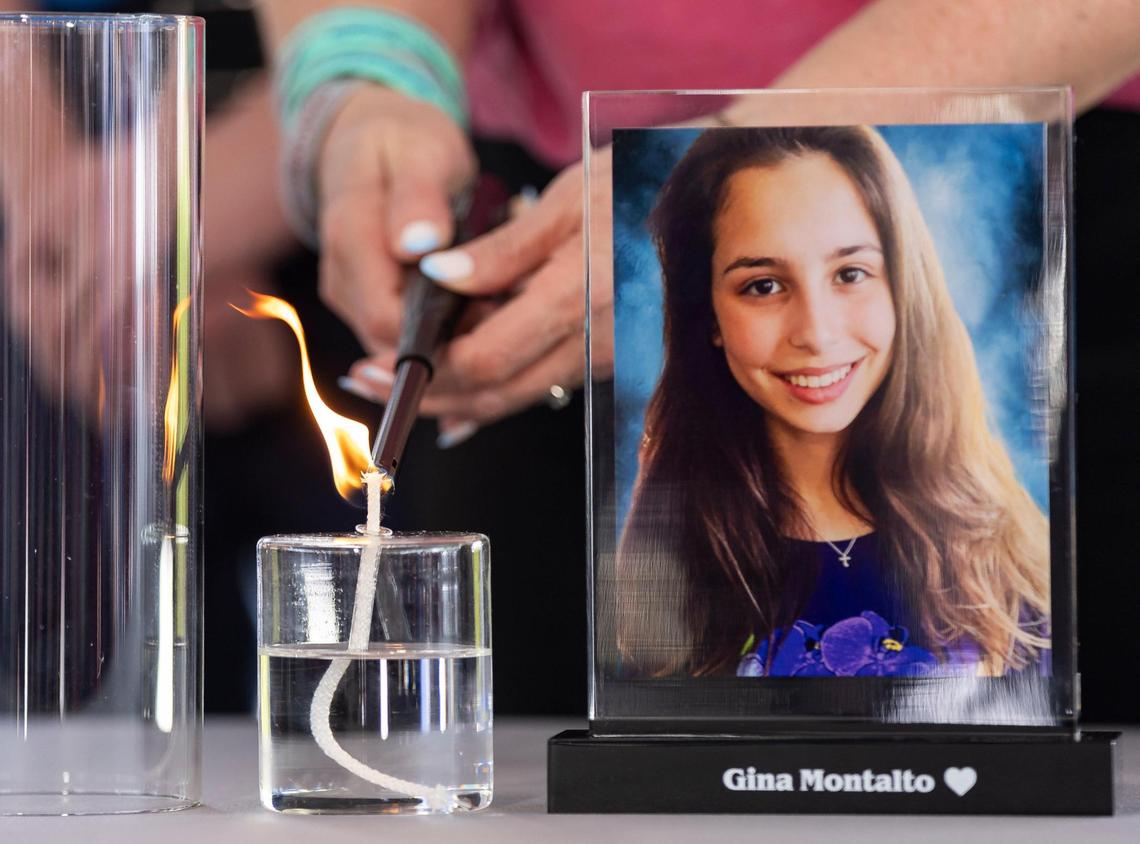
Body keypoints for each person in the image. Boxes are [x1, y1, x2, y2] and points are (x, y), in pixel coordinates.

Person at [614, 125, 1049, 679]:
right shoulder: (665, 561)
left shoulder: (1013, 545)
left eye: (850, 274)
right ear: (709, 315)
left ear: (903, 290)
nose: (816, 334)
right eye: (763, 285)